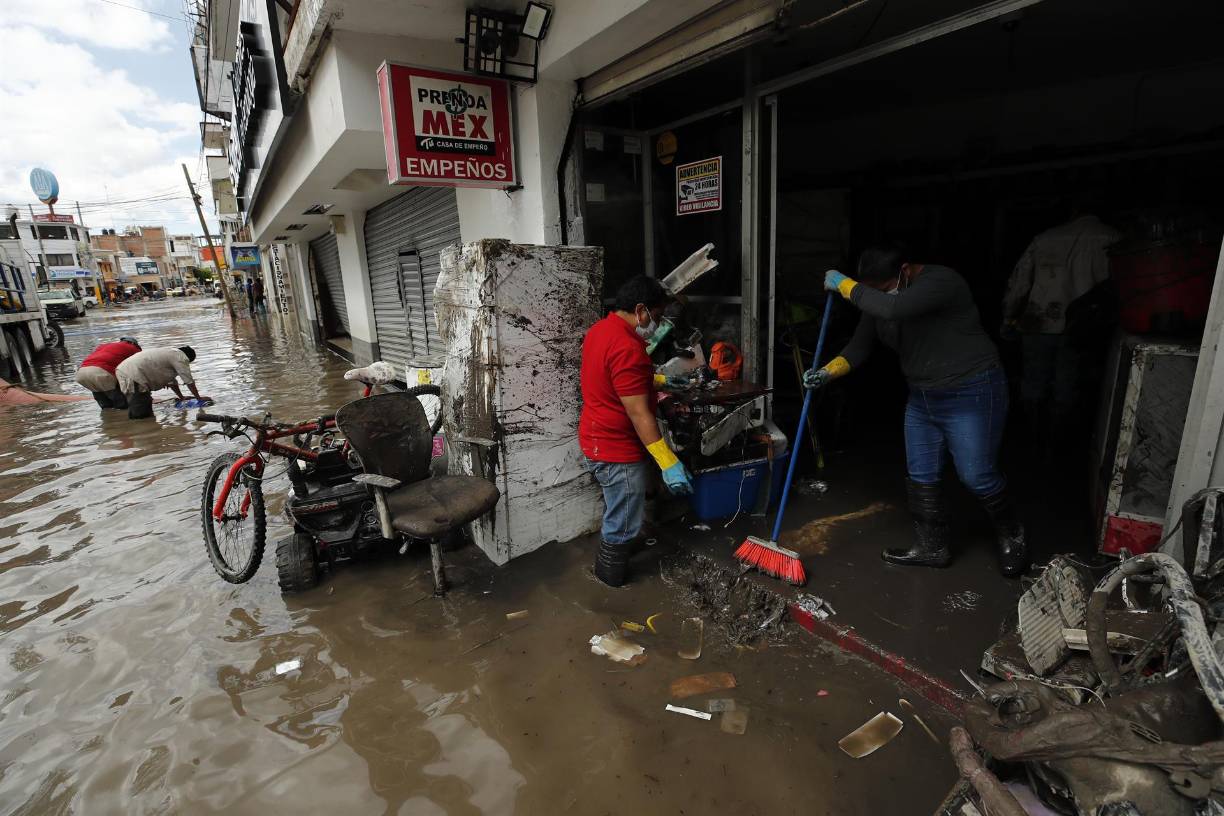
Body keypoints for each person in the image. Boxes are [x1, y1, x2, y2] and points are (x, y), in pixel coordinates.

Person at [804, 245, 1028, 577]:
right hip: (923, 397)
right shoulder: (878, 298)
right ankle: (931, 547)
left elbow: (893, 308)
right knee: (921, 474)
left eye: (885, 288)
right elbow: (859, 346)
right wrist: (827, 372)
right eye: (873, 290)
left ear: (905, 271)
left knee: (976, 474)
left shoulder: (942, 282)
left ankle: (1012, 533)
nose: (880, 295)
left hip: (971, 391)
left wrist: (843, 284)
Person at [579, 275, 694, 587]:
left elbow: (613, 375)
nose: (657, 324)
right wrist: (668, 462)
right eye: (657, 316)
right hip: (617, 450)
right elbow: (639, 413)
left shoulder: (601, 330)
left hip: (595, 438)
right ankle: (609, 583)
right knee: (622, 523)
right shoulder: (628, 346)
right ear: (641, 310)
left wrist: (660, 380)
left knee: (617, 509)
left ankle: (615, 560)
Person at [1002, 206, 1121, 453]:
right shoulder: (1111, 237)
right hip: (1083, 326)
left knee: (1033, 384)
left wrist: (1009, 317)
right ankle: (1056, 449)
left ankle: (1033, 444)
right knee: (1067, 388)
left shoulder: (1045, 238)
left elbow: (1019, 283)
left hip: (1038, 321)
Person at [116, 346, 210, 420]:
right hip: (133, 375)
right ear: (188, 358)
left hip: (128, 372)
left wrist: (182, 398)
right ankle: (140, 433)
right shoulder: (180, 357)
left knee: (144, 407)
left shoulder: (170, 354)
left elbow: (172, 382)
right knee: (140, 414)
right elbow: (189, 381)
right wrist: (199, 399)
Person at [74, 337, 141, 409]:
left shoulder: (104, 346)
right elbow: (136, 370)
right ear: (133, 343)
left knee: (104, 404)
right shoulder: (133, 348)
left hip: (81, 373)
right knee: (121, 404)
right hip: (101, 372)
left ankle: (107, 414)